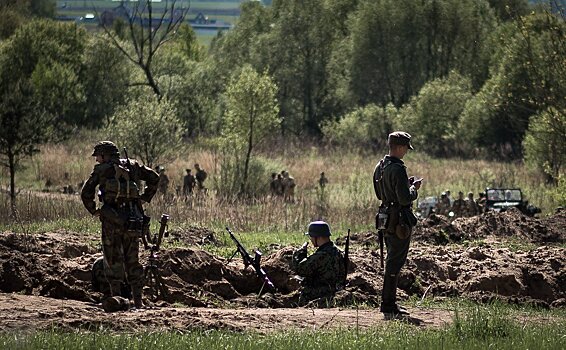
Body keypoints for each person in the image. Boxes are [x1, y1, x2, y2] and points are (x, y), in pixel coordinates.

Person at [81, 141, 159, 310]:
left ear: (105, 155)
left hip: (112, 221)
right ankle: (138, 301)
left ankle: (116, 299)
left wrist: (95, 211)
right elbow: (155, 178)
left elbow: (86, 192)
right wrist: (145, 197)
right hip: (133, 220)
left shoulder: (102, 170)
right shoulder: (134, 165)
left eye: (98, 157)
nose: (97, 161)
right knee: (133, 260)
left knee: (112, 259)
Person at [373, 131, 421, 319]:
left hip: (385, 217)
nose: (406, 152)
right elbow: (404, 198)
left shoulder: (380, 166)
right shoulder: (398, 168)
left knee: (392, 261)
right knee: (395, 262)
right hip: (399, 220)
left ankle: (388, 302)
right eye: (405, 149)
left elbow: (380, 194)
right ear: (400, 147)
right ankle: (388, 304)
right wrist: (413, 189)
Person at [292, 221, 346, 306]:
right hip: (335, 291)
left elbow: (301, 269)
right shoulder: (338, 252)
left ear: (318, 237)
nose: (311, 240)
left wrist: (300, 253)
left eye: (311, 237)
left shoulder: (322, 255)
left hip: (319, 295)